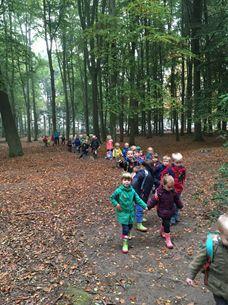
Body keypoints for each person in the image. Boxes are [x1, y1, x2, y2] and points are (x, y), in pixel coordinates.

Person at [186, 214, 228, 305]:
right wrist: (191, 276)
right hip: (218, 287)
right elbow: (198, 261)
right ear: (220, 233)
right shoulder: (212, 246)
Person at [110, 172, 148, 254]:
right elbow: (112, 198)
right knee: (125, 228)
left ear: (131, 181)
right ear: (121, 181)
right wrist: (116, 204)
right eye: (124, 180)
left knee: (130, 226)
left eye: (128, 180)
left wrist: (144, 206)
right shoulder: (119, 191)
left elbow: (137, 199)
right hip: (123, 213)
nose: (126, 182)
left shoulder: (132, 191)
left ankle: (129, 233)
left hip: (131, 212)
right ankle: (125, 243)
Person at [147, 175, 183, 249]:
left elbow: (177, 199)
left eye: (172, 187)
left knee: (165, 222)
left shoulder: (173, 192)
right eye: (169, 187)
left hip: (170, 210)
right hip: (162, 211)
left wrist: (180, 205)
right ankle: (168, 239)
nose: (170, 188)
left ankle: (161, 231)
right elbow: (153, 200)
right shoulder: (159, 192)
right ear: (163, 185)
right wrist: (148, 207)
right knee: (167, 224)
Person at [132, 160, 154, 232]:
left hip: (144, 193)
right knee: (139, 207)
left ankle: (139, 218)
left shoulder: (148, 172)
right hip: (140, 193)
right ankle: (139, 223)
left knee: (140, 206)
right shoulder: (142, 173)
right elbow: (135, 182)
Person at [169, 152, 186, 225]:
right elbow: (164, 176)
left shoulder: (183, 169)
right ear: (173, 162)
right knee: (172, 203)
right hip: (172, 189)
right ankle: (172, 217)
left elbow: (183, 178)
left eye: (180, 162)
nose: (179, 164)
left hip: (179, 189)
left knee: (177, 202)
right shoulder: (170, 169)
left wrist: (181, 184)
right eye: (177, 162)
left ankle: (176, 215)